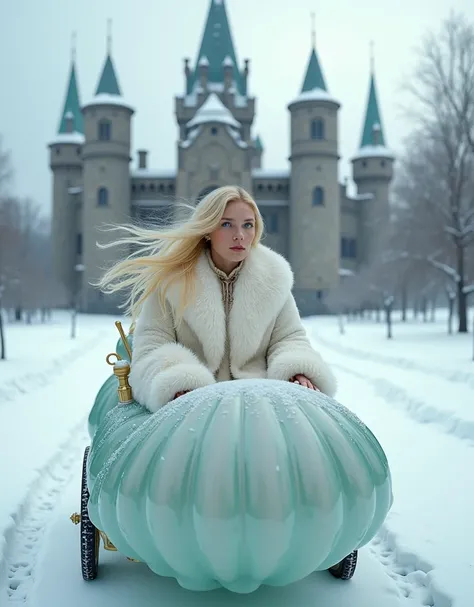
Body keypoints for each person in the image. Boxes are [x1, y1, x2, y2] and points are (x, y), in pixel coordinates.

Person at [98, 185, 336, 413]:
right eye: (227, 224)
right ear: (208, 230)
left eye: (248, 225)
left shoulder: (274, 280)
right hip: (194, 406)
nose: (240, 235)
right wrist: (178, 382)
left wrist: (297, 370)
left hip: (261, 401)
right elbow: (152, 347)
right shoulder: (172, 282)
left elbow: (289, 338)